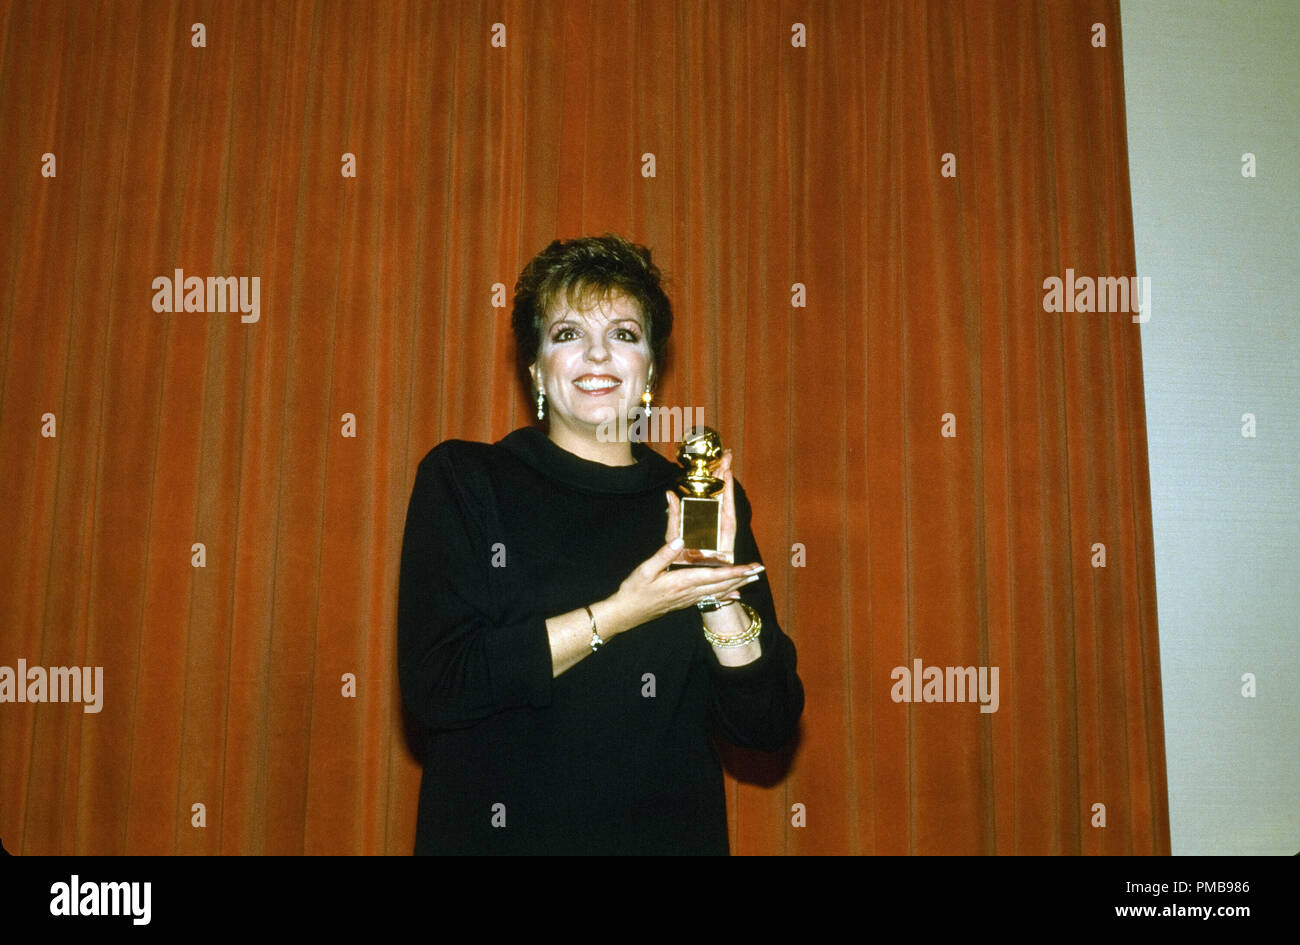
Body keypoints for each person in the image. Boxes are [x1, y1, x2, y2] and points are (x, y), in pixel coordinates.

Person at [397, 234, 803, 854]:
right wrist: (623, 612)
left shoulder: (697, 498)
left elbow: (766, 723)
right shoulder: (467, 480)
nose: (597, 355)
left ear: (649, 369)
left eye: (623, 334)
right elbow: (440, 688)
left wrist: (712, 586)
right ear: (535, 369)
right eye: (566, 334)